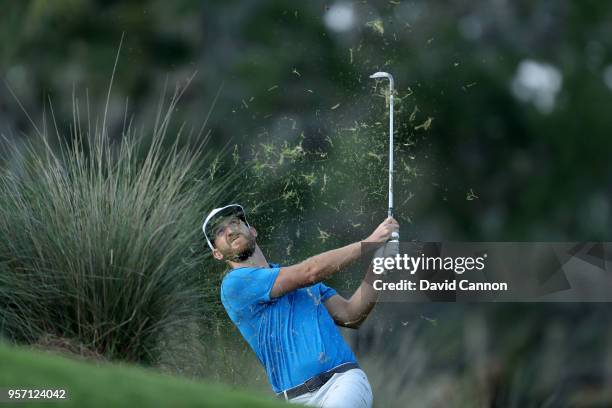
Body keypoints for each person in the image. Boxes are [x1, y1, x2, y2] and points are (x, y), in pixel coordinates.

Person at [202, 204, 399, 407]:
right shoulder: (234, 285)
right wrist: (369, 243)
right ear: (217, 254)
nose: (230, 231)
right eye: (220, 231)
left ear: (252, 231)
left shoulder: (299, 281)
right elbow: (310, 272)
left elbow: (351, 315)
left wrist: (381, 263)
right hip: (293, 399)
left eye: (234, 223)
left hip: (342, 381)